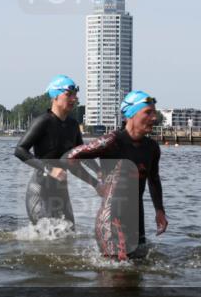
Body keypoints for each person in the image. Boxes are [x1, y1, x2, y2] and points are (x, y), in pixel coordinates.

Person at [63, 90, 167, 260]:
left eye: (154, 112)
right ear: (130, 115)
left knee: (137, 277)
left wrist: (159, 210)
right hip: (111, 221)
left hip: (137, 221)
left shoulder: (152, 147)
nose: (154, 118)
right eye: (148, 112)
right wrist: (95, 184)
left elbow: (153, 179)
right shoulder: (112, 141)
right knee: (115, 278)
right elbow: (69, 157)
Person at [14, 75, 99, 224]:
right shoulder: (43, 122)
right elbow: (20, 150)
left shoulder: (73, 125)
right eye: (69, 95)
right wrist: (50, 169)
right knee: (44, 238)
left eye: (75, 95)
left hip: (61, 191)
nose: (74, 99)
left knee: (69, 235)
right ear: (55, 96)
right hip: (40, 189)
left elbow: (81, 156)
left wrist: (99, 176)